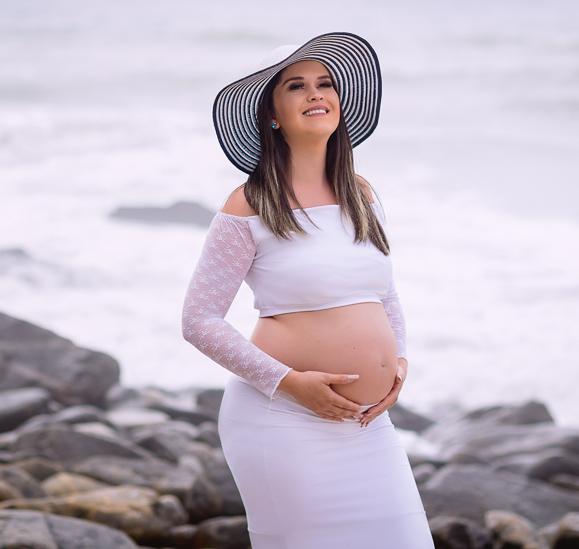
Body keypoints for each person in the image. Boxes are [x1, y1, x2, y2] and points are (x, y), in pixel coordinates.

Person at [182, 32, 433, 548]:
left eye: (326, 83)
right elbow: (199, 321)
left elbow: (382, 294)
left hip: (366, 426)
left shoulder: (361, 193)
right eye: (296, 86)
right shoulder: (248, 204)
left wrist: (399, 362)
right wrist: (289, 383)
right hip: (284, 422)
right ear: (272, 114)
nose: (316, 93)